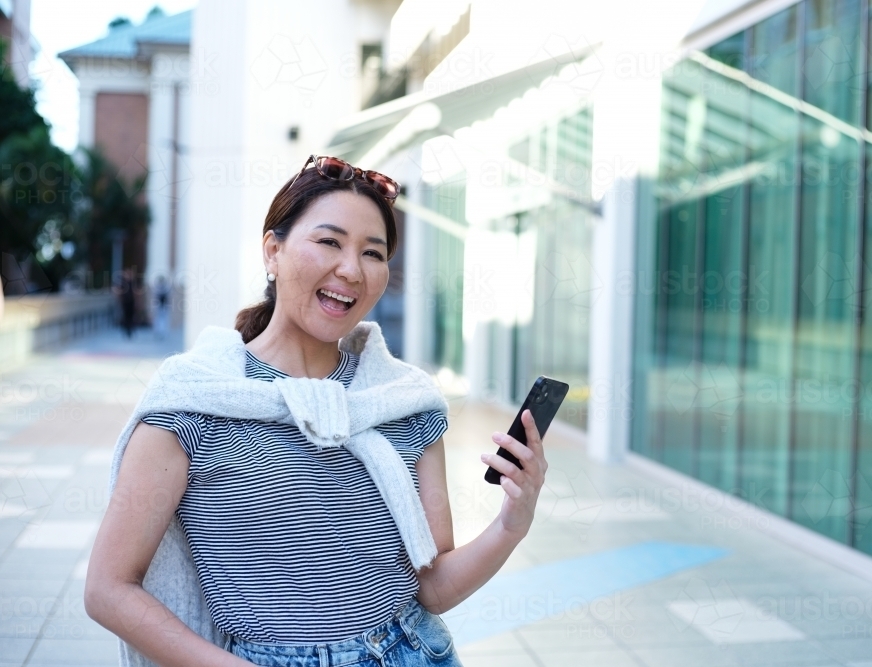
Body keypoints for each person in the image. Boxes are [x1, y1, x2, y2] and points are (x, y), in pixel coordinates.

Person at [84, 156, 549, 667]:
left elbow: (432, 589)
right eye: (329, 242)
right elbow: (109, 589)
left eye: (373, 252)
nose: (351, 269)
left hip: (415, 652)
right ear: (273, 250)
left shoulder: (404, 400)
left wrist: (512, 523)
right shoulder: (195, 399)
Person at [153, 275, 171, 340]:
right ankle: (159, 332)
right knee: (159, 319)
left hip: (164, 306)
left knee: (163, 320)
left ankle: (163, 332)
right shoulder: (158, 288)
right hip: (160, 306)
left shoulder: (164, 288)